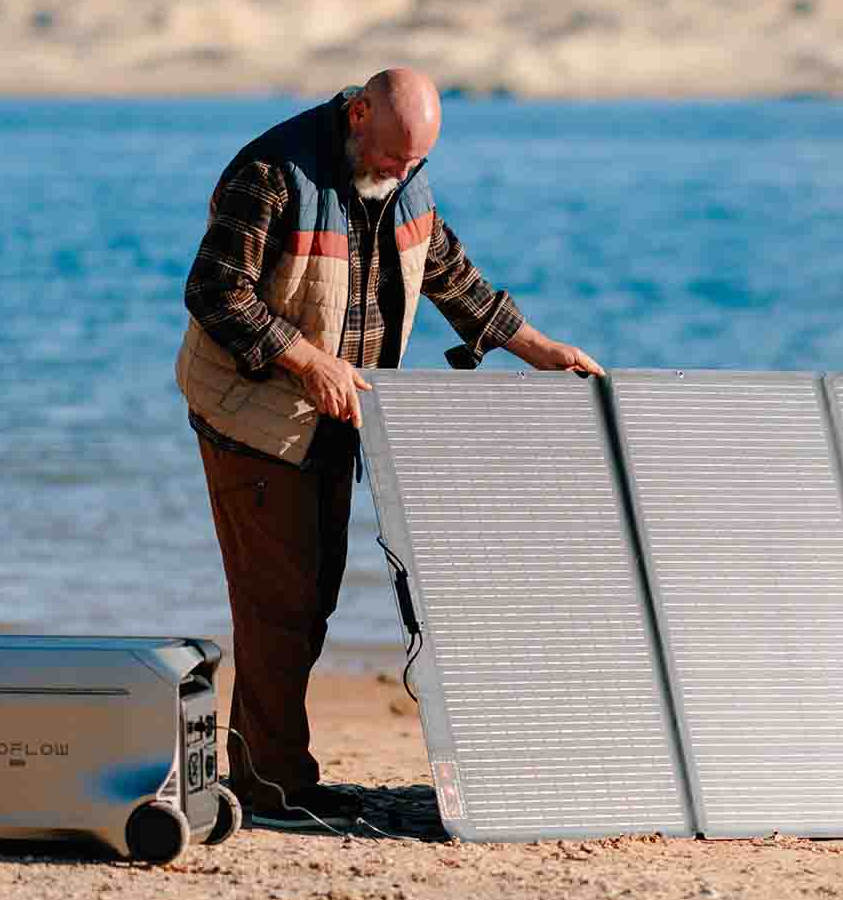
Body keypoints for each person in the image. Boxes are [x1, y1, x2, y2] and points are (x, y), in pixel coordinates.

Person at [176, 66, 600, 829]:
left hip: (335, 417)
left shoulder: (404, 179)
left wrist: (534, 345)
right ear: (358, 112)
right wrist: (306, 358)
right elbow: (214, 292)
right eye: (392, 157)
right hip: (253, 418)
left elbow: (446, 271)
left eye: (414, 164)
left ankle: (273, 774)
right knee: (279, 605)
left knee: (310, 603)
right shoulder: (271, 173)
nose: (400, 173)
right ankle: (274, 789)